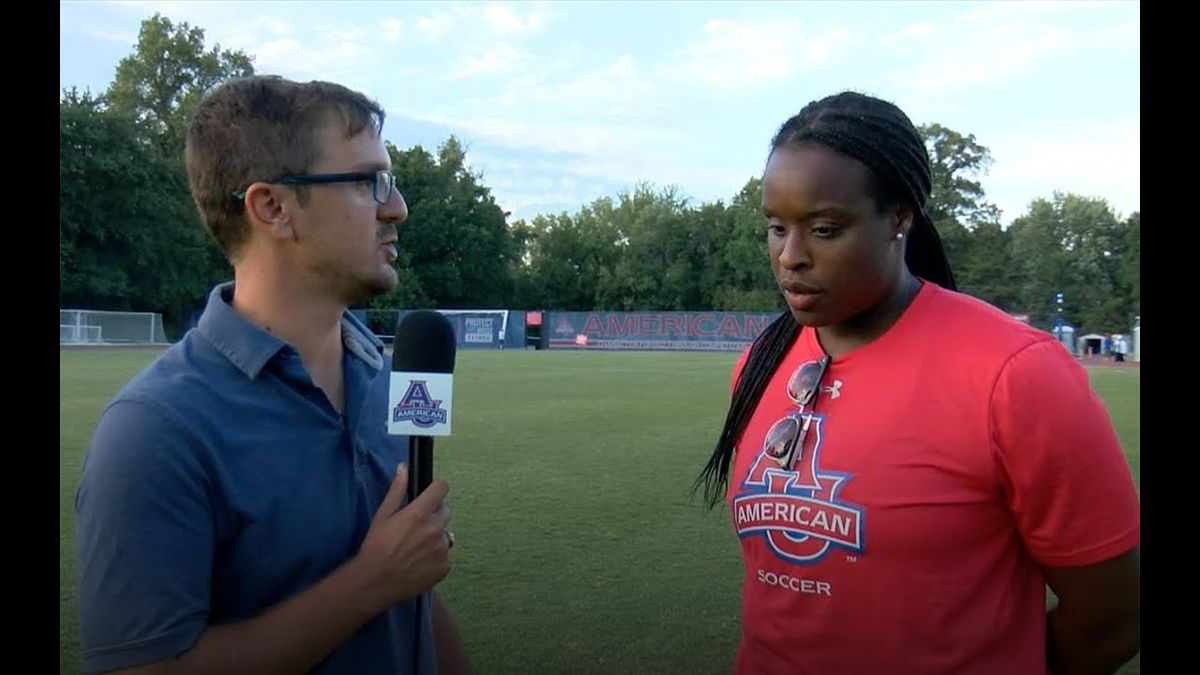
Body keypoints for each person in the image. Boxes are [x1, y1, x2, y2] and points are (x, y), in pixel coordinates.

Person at [695, 91, 1140, 675]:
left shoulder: (1015, 375)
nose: (790, 256)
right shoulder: (761, 362)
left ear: (900, 216)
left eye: (825, 229)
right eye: (777, 227)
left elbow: (1115, 617)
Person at [74, 75, 472, 675]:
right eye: (370, 183)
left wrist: (400, 575)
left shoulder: (388, 377)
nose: (397, 209)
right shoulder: (154, 432)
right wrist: (368, 582)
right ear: (273, 208)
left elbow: (410, 588)